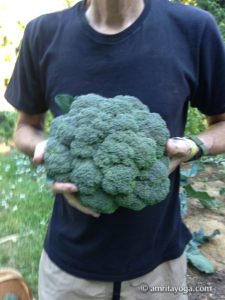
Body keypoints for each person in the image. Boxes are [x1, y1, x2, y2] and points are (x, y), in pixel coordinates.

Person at [4, 0, 225, 299]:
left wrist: (195, 146)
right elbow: (24, 129)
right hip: (69, 268)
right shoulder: (42, 33)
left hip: (158, 265)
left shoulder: (193, 28)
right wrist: (48, 150)